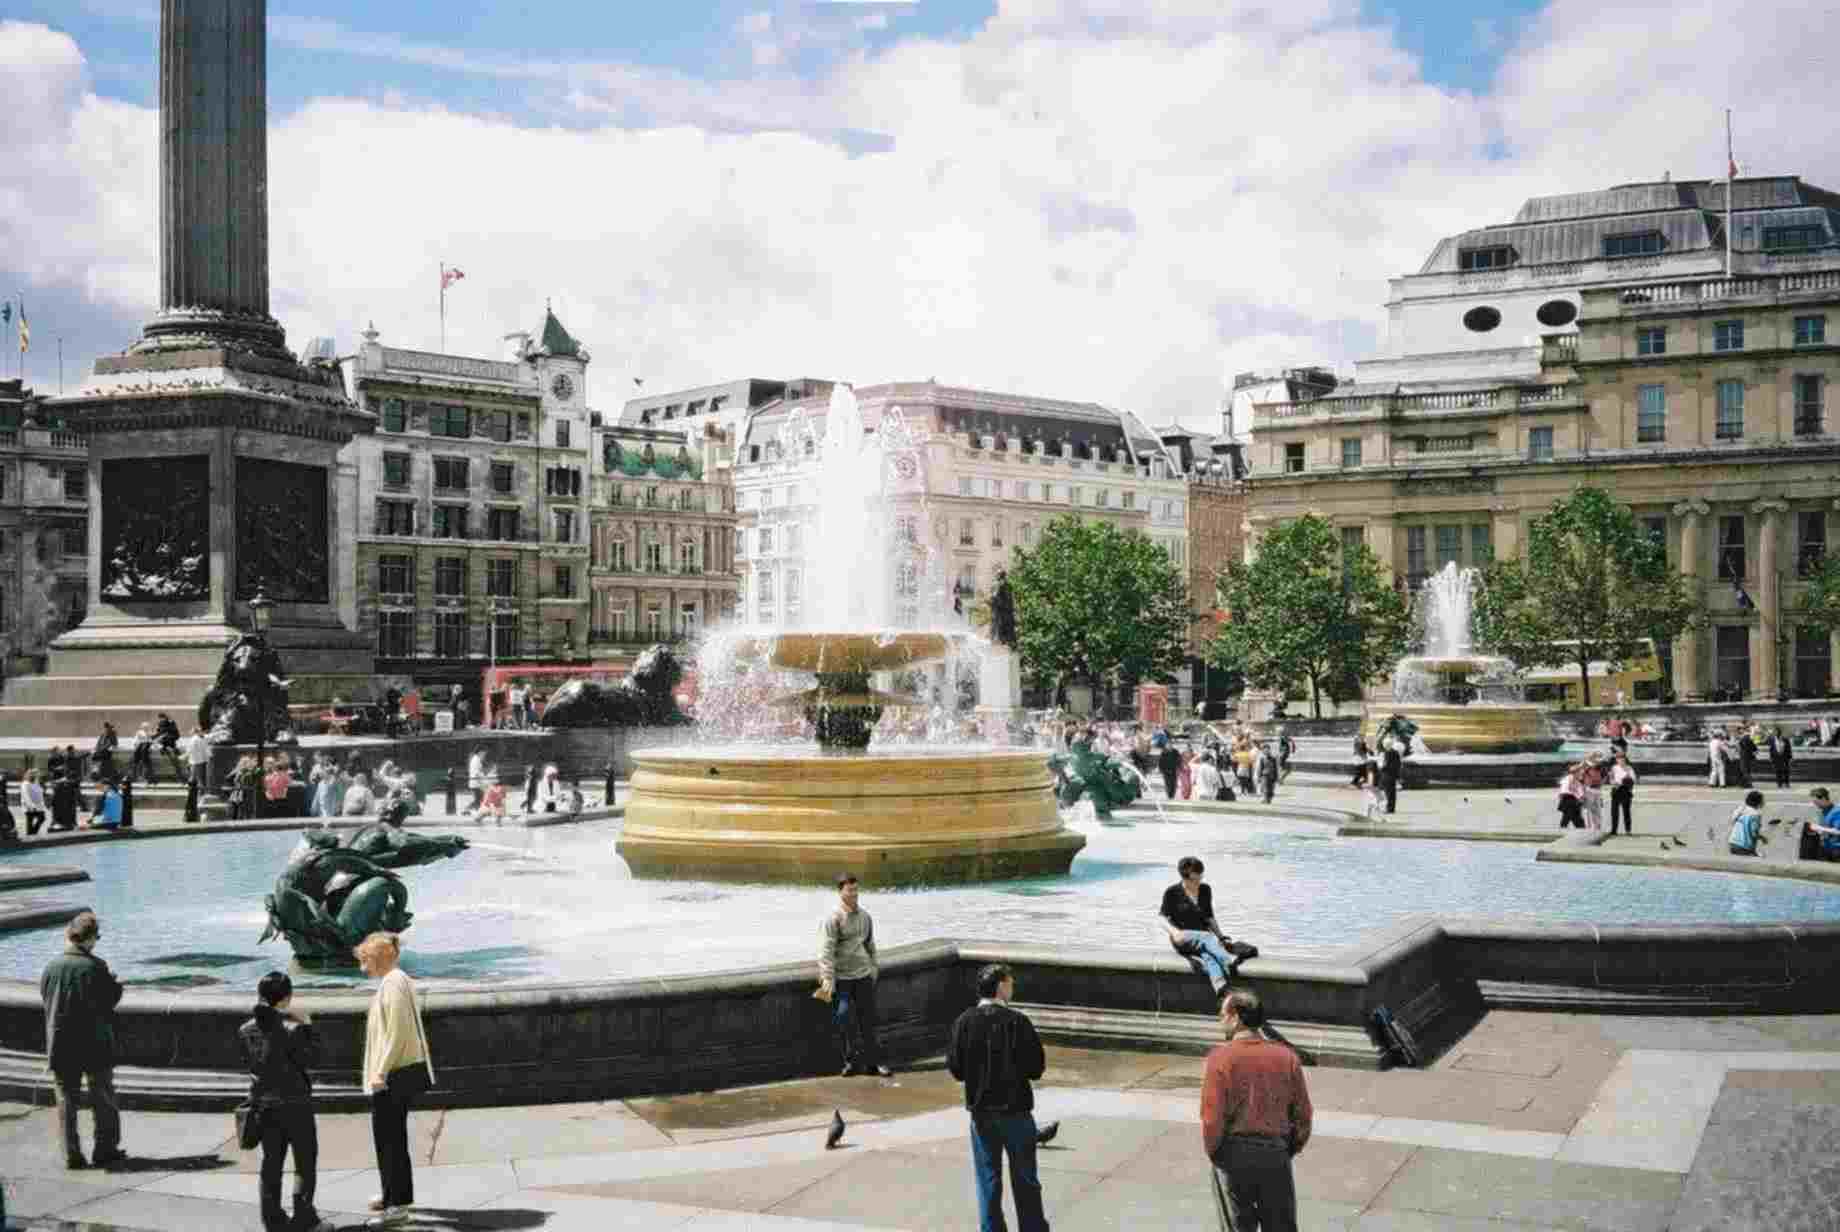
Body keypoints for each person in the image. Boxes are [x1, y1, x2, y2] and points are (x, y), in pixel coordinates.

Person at [947, 963, 1050, 1232]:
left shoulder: (964, 1022)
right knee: (1025, 1179)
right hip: (1016, 1112)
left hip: (981, 1115)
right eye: (1011, 983)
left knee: (988, 1180)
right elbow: (1036, 1069)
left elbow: (956, 1070)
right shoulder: (1018, 1021)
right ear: (1001, 986)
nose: (1013, 988)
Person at [1200, 989, 1312, 1232]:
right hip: (1275, 1154)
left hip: (1233, 1155)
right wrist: (1286, 1148)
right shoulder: (1287, 1057)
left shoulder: (1219, 1059)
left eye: (1222, 1015)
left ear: (1236, 1016)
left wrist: (1216, 1152)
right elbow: (1303, 1115)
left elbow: (1211, 1118)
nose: (1220, 1021)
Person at [239, 971, 334, 1232]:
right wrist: (308, 1025)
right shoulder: (293, 1029)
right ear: (287, 998)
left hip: (265, 1106)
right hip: (296, 1105)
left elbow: (251, 1065)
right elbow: (313, 1058)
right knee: (304, 1162)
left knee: (271, 1163)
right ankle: (304, 1217)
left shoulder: (245, 1030)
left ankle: (272, 1219)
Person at [357, 932, 433, 1228]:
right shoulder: (395, 981)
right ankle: (393, 1196)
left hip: (390, 1077)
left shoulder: (394, 983)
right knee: (391, 1139)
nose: (363, 967)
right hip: (392, 1075)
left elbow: (398, 1032)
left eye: (365, 959)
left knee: (390, 1141)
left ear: (378, 958)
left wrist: (380, 1071)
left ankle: (397, 1206)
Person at [40, 912, 125, 1169]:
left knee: (66, 1101)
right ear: (88, 939)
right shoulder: (95, 966)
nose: (96, 943)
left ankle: (71, 1154)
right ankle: (104, 1150)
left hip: (61, 1044)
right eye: (96, 937)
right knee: (103, 1097)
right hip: (94, 1044)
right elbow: (109, 999)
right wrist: (117, 985)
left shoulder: (51, 967)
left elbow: (46, 997)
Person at [816, 872, 892, 1078]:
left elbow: (870, 945)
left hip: (863, 976)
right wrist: (827, 978)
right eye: (850, 890)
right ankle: (850, 1061)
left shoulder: (865, 917)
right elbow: (826, 951)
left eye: (856, 890)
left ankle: (873, 1063)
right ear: (840, 892)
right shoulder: (832, 919)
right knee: (843, 1016)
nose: (854, 894)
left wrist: (874, 967)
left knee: (869, 1020)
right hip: (842, 979)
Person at [1159, 857, 1253, 1004]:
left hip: (1206, 940)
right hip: (1182, 937)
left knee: (1208, 955)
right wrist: (1174, 932)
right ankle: (1228, 960)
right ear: (1185, 877)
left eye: (1201, 876)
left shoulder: (1205, 890)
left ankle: (1221, 988)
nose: (1199, 881)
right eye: (1196, 878)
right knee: (1208, 940)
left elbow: (1209, 916)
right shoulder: (1172, 892)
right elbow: (1162, 918)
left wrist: (1221, 937)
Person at [1806, 788, 1840, 862]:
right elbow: (1826, 829)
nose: (1815, 805)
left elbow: (1838, 831)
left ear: (1824, 798)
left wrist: (1819, 828)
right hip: (1826, 848)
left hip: (1836, 850)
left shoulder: (1837, 812)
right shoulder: (1822, 811)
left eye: (1816, 802)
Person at [1728, 790, 1765, 857]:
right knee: (1761, 857)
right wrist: (1761, 837)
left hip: (1733, 844)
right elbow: (1753, 833)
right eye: (1762, 800)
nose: (1763, 802)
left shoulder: (1740, 810)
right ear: (1758, 803)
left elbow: (1733, 820)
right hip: (1744, 846)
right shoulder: (1755, 815)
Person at [1608, 750, 1637, 836]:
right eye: (1619, 758)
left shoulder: (1629, 768)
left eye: (1622, 758)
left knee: (1626, 811)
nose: (1621, 760)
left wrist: (1628, 780)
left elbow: (1633, 779)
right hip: (1616, 790)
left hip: (1625, 790)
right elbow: (1611, 779)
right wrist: (1613, 782)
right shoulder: (1614, 768)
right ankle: (1614, 830)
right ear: (1616, 759)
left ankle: (1628, 830)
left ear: (1625, 759)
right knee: (1614, 812)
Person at [1556, 765, 1586, 830]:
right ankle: (1581, 830)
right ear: (1575, 772)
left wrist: (1581, 798)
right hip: (1569, 801)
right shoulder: (1568, 779)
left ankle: (1581, 830)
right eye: (1579, 772)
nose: (1580, 773)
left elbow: (1580, 791)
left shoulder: (1576, 780)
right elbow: (1564, 791)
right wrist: (1578, 797)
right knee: (1568, 818)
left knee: (1571, 819)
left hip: (1573, 802)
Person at [1379, 736, 1403, 815]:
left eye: (1384, 744)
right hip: (1393, 775)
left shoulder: (1387, 753)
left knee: (1388, 793)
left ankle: (1389, 809)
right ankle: (1391, 808)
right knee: (1392, 793)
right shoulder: (1395, 752)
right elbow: (1399, 764)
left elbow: (1385, 764)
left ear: (1385, 745)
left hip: (1387, 775)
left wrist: (1381, 768)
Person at [24, 770, 47, 837]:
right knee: (30, 821)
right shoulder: (25, 784)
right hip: (29, 806)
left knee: (42, 818)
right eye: (33, 775)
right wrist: (31, 805)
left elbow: (40, 793)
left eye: (36, 775)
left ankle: (33, 833)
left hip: (38, 806)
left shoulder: (36, 783)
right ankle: (30, 835)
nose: (35, 776)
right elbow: (26, 796)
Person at [466, 748, 487, 812]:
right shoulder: (476, 760)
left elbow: (478, 772)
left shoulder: (476, 759)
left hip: (475, 783)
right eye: (484, 754)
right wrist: (483, 782)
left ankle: (477, 810)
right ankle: (468, 809)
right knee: (480, 798)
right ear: (480, 752)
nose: (484, 755)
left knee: (480, 798)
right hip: (476, 783)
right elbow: (477, 773)